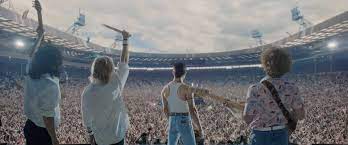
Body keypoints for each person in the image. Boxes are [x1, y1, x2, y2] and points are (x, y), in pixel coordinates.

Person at [243, 47, 306, 145]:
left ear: (265, 65)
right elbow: (301, 115)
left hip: (259, 135)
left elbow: (247, 117)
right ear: (286, 66)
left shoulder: (255, 88)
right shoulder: (292, 88)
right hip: (281, 135)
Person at [23, 1, 63, 145]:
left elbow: (39, 42)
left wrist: (40, 13)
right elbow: (47, 118)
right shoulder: (50, 85)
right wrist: (53, 138)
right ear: (54, 63)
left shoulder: (31, 69)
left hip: (30, 125)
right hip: (42, 132)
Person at [81, 30, 130, 145]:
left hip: (100, 139)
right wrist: (125, 40)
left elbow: (86, 119)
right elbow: (124, 62)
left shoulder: (87, 92)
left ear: (94, 70)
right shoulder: (115, 84)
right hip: (118, 136)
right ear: (111, 70)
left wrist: (91, 136)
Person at [161, 62, 211, 145]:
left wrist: (171, 120)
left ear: (173, 72)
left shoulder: (165, 89)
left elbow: (165, 109)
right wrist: (200, 128)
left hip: (172, 120)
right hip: (184, 120)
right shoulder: (187, 89)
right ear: (185, 73)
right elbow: (192, 110)